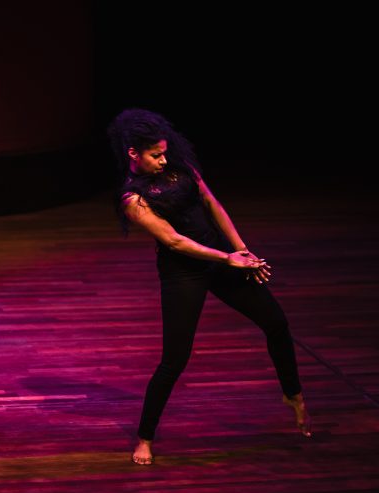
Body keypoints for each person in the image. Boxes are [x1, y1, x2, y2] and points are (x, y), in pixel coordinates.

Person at [106, 109, 311, 465]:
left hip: (221, 259)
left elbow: (213, 205)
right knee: (175, 359)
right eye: (156, 155)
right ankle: (144, 438)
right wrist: (226, 258)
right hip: (183, 272)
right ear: (133, 154)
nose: (164, 159)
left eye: (164, 151)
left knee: (276, 324)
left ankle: (292, 394)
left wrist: (241, 250)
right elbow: (172, 241)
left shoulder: (182, 168)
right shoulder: (132, 198)